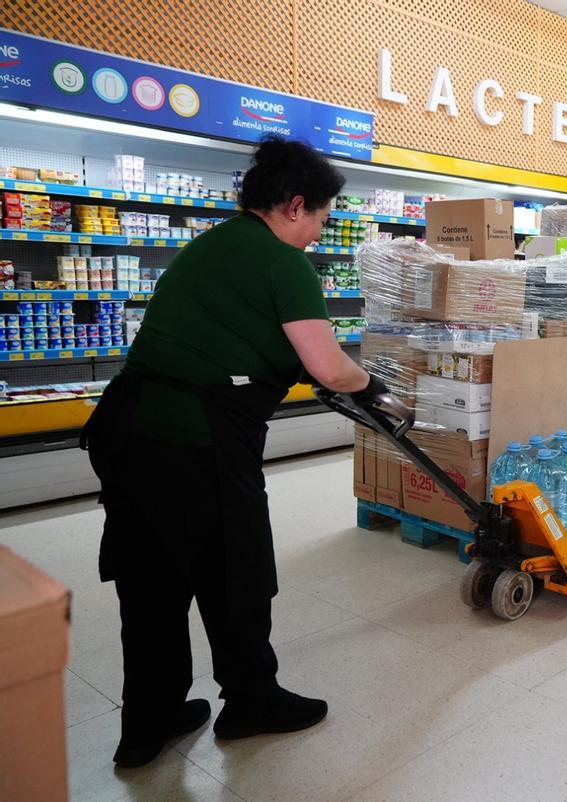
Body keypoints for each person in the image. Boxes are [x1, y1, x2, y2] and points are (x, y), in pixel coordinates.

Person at [82, 135, 384, 768]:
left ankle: (149, 720)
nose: (318, 232)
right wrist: (370, 382)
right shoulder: (284, 261)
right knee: (235, 575)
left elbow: (238, 336)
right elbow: (329, 368)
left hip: (129, 432)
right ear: (296, 205)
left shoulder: (212, 244)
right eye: (323, 217)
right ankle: (251, 702)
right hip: (199, 443)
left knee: (151, 582)